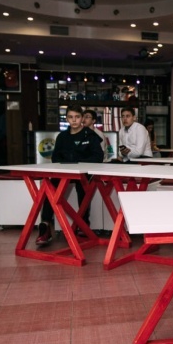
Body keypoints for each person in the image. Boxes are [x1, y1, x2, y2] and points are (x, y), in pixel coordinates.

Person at [36, 105, 105, 246]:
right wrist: (67, 164)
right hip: (64, 172)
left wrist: (79, 163)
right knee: (50, 186)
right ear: (66, 119)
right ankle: (45, 226)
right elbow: (55, 158)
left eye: (77, 117)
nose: (74, 120)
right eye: (71, 117)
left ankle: (84, 225)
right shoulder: (62, 137)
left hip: (84, 173)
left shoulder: (91, 135)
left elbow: (98, 157)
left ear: (82, 118)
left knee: (82, 187)